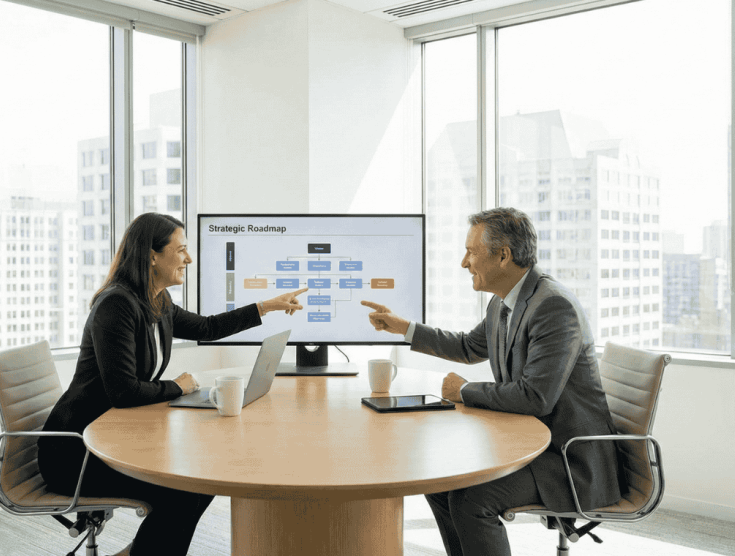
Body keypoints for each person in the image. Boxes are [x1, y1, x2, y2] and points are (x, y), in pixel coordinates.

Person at [38, 213, 307, 556]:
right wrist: (178, 386)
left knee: (201, 480)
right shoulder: (117, 305)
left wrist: (265, 307)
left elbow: (207, 328)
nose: (188, 259)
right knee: (182, 490)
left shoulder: (157, 300)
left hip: (111, 438)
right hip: (76, 453)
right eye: (180, 250)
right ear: (152, 255)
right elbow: (123, 392)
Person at [361, 207, 622, 556]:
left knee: (472, 498)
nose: (463, 262)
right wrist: (403, 328)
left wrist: (464, 391)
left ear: (503, 256)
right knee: (442, 484)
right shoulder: (504, 303)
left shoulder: (553, 306)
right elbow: (470, 346)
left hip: (568, 459)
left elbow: (535, 397)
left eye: (471, 251)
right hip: (534, 445)